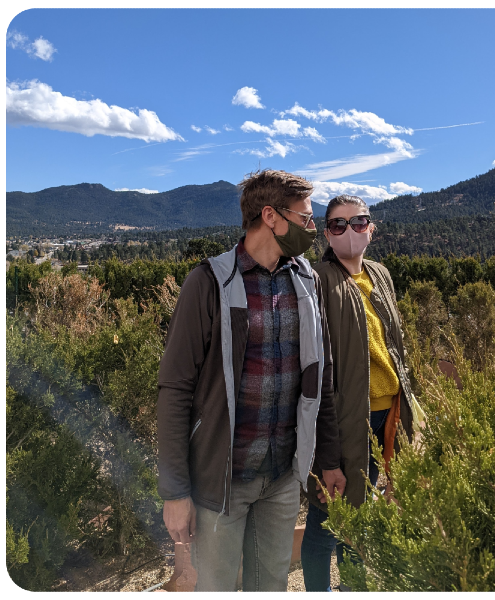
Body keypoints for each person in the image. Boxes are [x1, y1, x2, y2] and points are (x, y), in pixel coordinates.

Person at [157, 169, 341, 591]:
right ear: (271, 217)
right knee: (217, 587)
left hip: (281, 478)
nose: (313, 229)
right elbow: (174, 390)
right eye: (306, 218)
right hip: (221, 482)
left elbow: (320, 379)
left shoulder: (306, 283)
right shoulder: (209, 283)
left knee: (271, 586)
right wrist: (174, 491)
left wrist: (326, 459)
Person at [299, 194, 417, 591]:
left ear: (371, 228)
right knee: (328, 517)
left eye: (358, 222)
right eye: (337, 224)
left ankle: (354, 589)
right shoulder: (317, 280)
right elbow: (316, 366)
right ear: (326, 235)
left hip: (389, 416)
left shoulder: (381, 274)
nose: (350, 231)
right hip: (344, 420)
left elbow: (395, 349)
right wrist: (325, 451)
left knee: (361, 517)